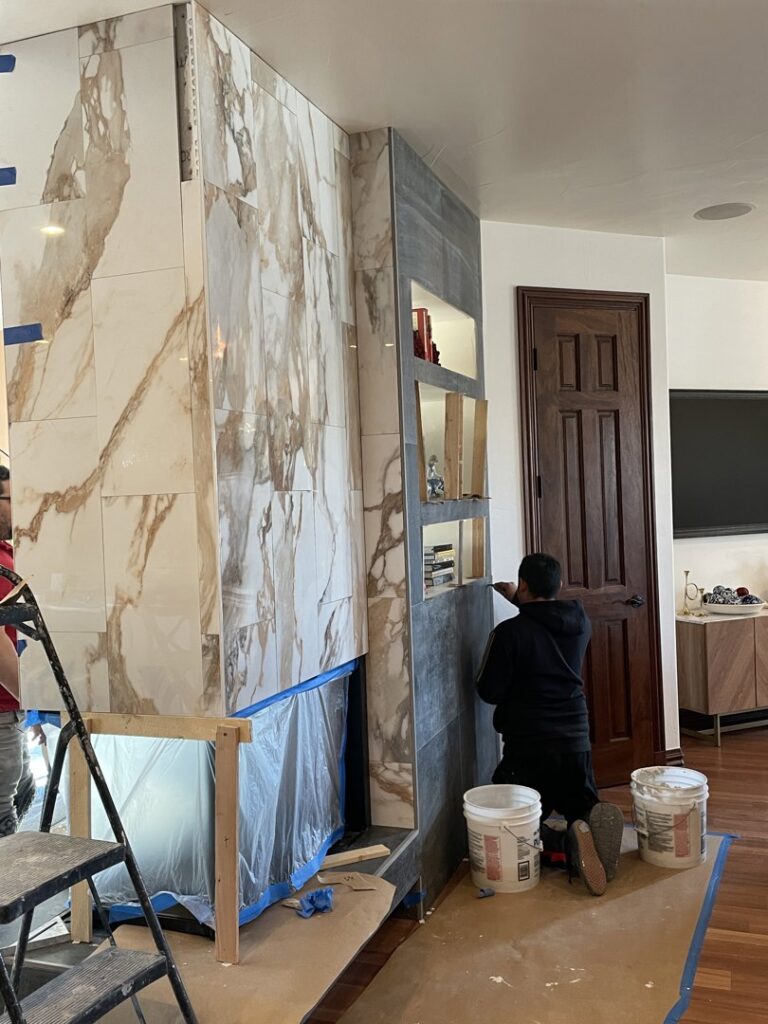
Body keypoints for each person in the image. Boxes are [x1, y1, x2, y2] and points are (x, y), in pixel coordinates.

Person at [476, 552, 624, 896]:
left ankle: (563, 842)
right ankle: (582, 828)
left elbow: (489, 692)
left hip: (528, 744)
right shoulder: (580, 623)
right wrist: (520, 599)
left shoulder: (509, 633)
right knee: (581, 805)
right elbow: (544, 621)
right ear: (558, 585)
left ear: (523, 585)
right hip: (575, 737)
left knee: (508, 820)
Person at [0, 464, 37, 836]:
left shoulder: (6, 552)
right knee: (3, 822)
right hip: (2, 711)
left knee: (26, 790)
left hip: (11, 712)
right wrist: (37, 699)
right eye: (13, 498)